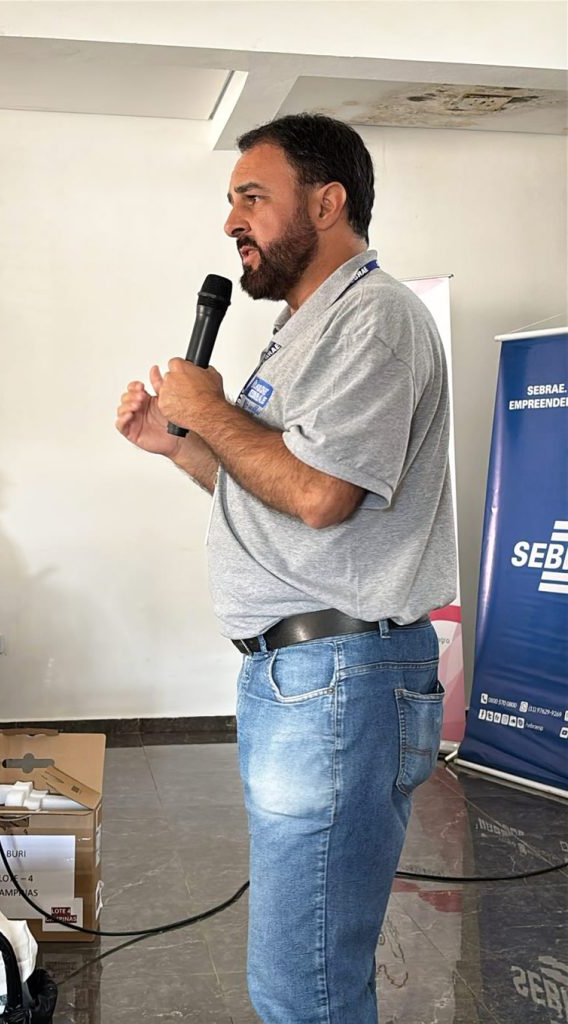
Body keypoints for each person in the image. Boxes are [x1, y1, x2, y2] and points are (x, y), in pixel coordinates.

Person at [116, 113, 456, 1024]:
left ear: (327, 201)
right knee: (307, 974)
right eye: (232, 200)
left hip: (339, 680)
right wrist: (181, 446)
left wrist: (210, 411)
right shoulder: (307, 327)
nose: (232, 221)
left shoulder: (375, 321)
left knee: (303, 985)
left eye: (253, 198)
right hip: (305, 679)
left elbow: (320, 497)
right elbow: (274, 489)